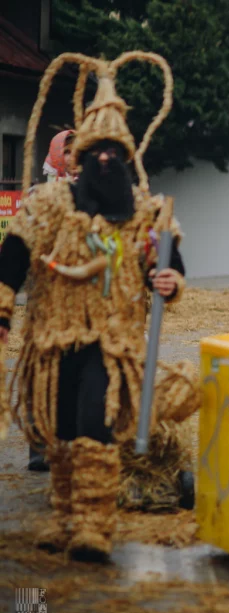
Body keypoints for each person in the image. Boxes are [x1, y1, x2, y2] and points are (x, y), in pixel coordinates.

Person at [0, 51, 199, 559]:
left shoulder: (149, 215)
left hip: (112, 342)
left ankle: (94, 526)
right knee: (60, 429)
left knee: (94, 420)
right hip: (52, 337)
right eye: (96, 152)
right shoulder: (49, 205)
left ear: (128, 156)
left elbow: (168, 269)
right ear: (80, 157)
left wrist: (169, 280)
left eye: (115, 151)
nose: (105, 161)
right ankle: (65, 518)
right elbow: (14, 255)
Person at [28, 129, 79, 472]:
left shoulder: (98, 192)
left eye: (81, 151)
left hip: (85, 301)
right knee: (42, 370)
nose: (76, 157)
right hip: (48, 298)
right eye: (70, 151)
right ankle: (39, 445)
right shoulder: (39, 194)